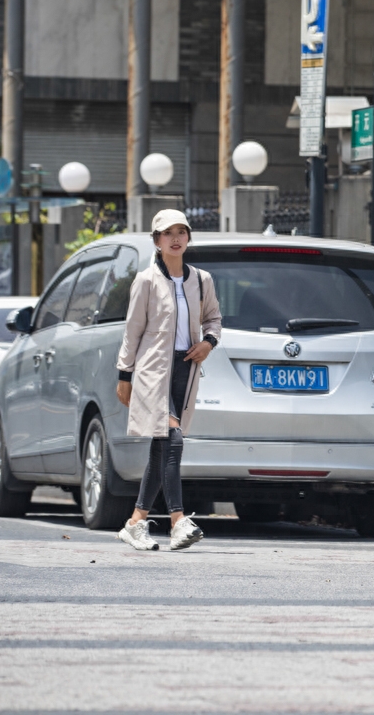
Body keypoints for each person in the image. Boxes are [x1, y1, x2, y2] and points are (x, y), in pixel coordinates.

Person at [114, 210, 222, 552]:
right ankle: (178, 522)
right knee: (173, 440)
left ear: (188, 237)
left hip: (185, 370)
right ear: (157, 241)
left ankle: (135, 523)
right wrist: (124, 375)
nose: (175, 238)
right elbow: (132, 330)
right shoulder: (145, 280)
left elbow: (214, 319)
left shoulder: (202, 279)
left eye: (181, 232)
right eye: (167, 233)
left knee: (161, 448)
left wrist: (209, 342)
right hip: (151, 371)